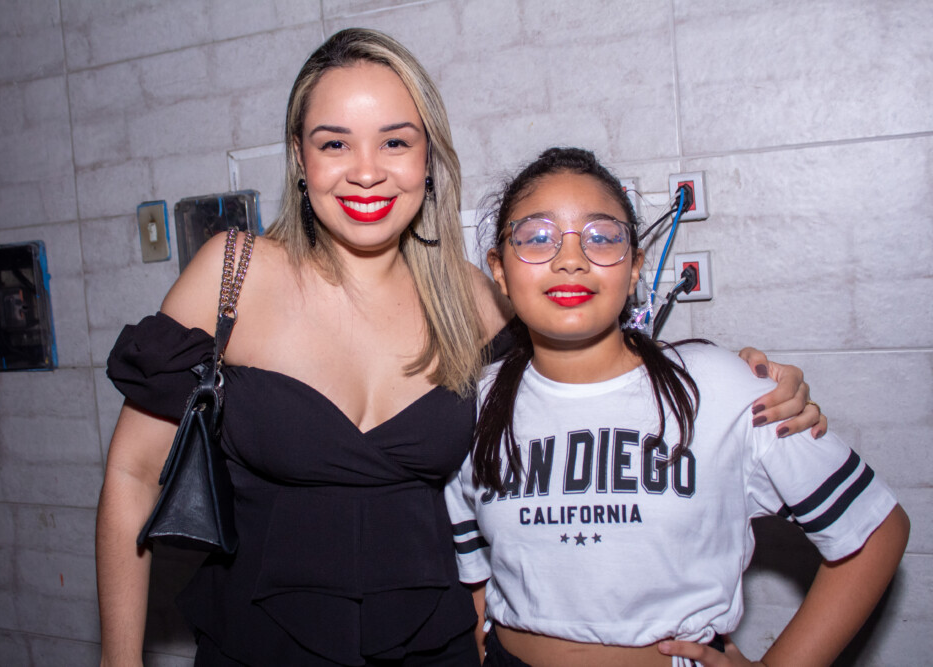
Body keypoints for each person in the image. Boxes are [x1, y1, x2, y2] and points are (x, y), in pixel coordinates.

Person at [96, 30, 824, 667]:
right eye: (334, 143)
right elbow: (133, 473)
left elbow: (591, 368)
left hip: (436, 647)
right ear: (298, 157)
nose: (366, 170)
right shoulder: (236, 274)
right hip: (257, 644)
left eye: (395, 141)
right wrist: (118, 657)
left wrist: (744, 382)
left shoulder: (473, 298)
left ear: (428, 157)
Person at [445, 147, 909, 667]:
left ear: (634, 267)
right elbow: (475, 572)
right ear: (499, 270)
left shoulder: (718, 386)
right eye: (536, 237)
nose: (570, 259)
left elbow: (875, 530)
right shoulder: (473, 406)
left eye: (601, 237)